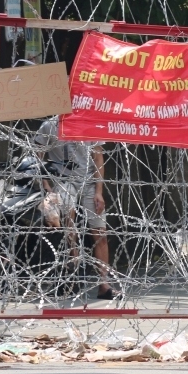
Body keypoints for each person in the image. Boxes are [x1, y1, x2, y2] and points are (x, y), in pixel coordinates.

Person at [32, 116, 114, 301]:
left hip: (89, 183)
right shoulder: (49, 126)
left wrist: (99, 191)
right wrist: (47, 188)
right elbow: (37, 157)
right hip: (63, 180)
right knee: (70, 227)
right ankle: (73, 273)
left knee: (100, 231)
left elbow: (98, 157)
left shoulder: (89, 122)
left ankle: (104, 284)